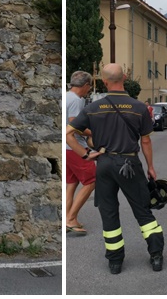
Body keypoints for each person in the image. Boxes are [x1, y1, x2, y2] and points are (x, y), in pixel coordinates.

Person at [66, 63, 164, 275]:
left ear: (103, 80)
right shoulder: (138, 108)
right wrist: (151, 168)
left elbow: (68, 134)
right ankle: (156, 256)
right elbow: (145, 141)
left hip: (104, 164)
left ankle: (115, 262)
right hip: (129, 164)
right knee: (143, 211)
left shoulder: (92, 108)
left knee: (109, 213)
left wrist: (85, 154)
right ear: (125, 77)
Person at [65, 71, 95, 236]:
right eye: (89, 87)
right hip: (75, 147)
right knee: (91, 181)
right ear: (85, 86)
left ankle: (67, 218)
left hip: (66, 148)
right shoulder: (76, 100)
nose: (89, 91)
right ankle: (71, 219)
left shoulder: (66, 96)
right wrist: (93, 133)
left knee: (72, 184)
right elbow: (74, 125)